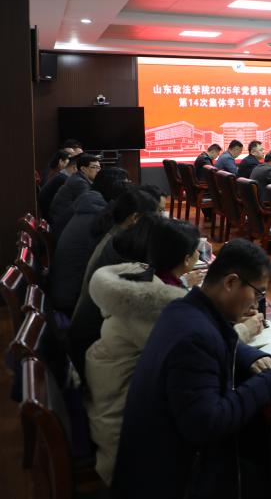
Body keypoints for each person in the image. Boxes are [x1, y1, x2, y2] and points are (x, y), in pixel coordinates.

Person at [111, 239, 271, 499]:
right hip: (171, 481)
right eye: (257, 293)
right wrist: (269, 384)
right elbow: (207, 424)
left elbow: (218, 336)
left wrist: (246, 356)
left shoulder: (183, 308)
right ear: (231, 283)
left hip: (150, 465)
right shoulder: (196, 339)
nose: (256, 304)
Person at [84, 219, 203, 485]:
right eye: (197, 251)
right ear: (186, 259)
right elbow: (197, 352)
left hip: (111, 407)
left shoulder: (138, 284)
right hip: (125, 441)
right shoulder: (153, 307)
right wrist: (242, 330)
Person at [68, 188, 160, 375]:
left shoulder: (114, 235)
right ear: (135, 218)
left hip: (85, 336)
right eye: (156, 215)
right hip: (91, 347)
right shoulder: (121, 249)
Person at [48, 168, 131, 315]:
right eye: (125, 184)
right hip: (72, 301)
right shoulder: (99, 215)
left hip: (64, 290)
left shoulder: (91, 204)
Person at [49, 153, 101, 230]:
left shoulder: (78, 178)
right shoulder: (79, 182)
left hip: (64, 221)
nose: (98, 171)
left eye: (99, 168)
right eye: (94, 167)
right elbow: (89, 204)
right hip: (63, 225)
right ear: (83, 169)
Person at [39, 149, 77, 218]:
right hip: (49, 213)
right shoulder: (56, 175)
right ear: (60, 161)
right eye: (66, 164)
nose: (67, 167)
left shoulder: (51, 170)